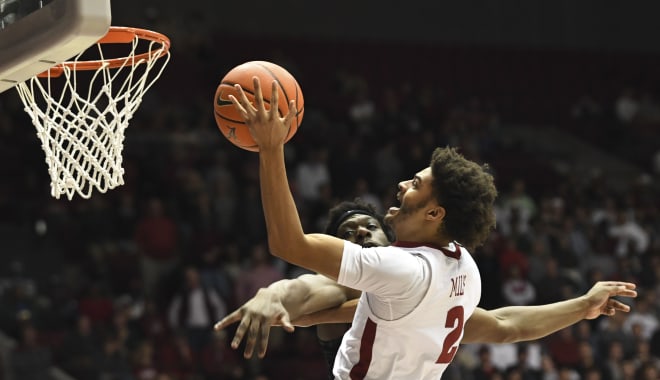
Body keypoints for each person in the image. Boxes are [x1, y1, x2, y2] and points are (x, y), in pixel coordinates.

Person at [218, 77, 637, 380]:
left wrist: (271, 148)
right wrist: (583, 305)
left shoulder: (401, 269)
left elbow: (289, 243)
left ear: (436, 214)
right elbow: (505, 326)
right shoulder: (463, 268)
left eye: (416, 184)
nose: (402, 185)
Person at [216, 199, 637, 379]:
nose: (361, 232)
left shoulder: (423, 282)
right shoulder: (345, 285)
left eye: (369, 225)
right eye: (348, 232)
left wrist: (582, 305)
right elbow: (303, 289)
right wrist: (270, 294)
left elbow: (506, 324)